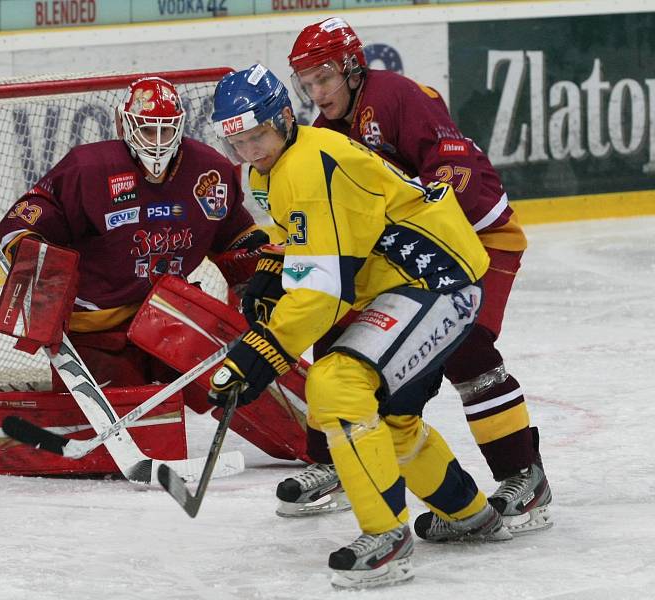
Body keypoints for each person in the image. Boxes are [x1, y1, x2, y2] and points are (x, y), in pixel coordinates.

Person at [207, 64, 511, 590]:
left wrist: (260, 351)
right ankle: (469, 514)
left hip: (436, 278)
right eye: (238, 141)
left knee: (337, 383)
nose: (250, 150)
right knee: (391, 422)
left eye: (257, 135)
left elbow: (323, 293)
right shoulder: (266, 172)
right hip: (410, 282)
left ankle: (386, 538)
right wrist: (272, 270)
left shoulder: (307, 164)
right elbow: (296, 237)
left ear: (282, 118)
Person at [277, 17, 552, 534]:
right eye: (307, 82)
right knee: (339, 332)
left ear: (354, 68)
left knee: (466, 348)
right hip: (409, 257)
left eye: (325, 78)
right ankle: (334, 464)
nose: (317, 92)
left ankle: (525, 474)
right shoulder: (322, 134)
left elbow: (454, 173)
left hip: (476, 240)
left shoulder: (401, 98)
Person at [0, 76, 305, 465]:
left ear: (180, 124)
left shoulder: (208, 170)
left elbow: (235, 236)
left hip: (172, 314)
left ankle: (319, 440)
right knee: (125, 440)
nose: (157, 139)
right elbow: (21, 225)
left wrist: (260, 279)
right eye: (146, 127)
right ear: (124, 124)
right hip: (97, 329)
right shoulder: (89, 169)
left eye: (166, 127)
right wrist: (38, 276)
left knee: (245, 378)